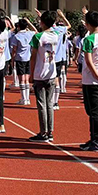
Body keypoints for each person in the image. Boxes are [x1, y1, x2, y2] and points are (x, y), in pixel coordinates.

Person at [79, 10, 98, 152]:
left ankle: (95, 140)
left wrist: (96, 75)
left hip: (92, 80)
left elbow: (89, 61)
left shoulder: (89, 40)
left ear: (87, 24)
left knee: (94, 112)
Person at [29, 10, 60, 142]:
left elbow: (33, 57)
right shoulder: (56, 35)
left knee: (41, 104)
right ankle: (50, 131)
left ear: (42, 22)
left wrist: (31, 74)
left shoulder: (38, 37)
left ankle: (43, 132)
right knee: (49, 103)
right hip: (51, 73)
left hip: (40, 73)